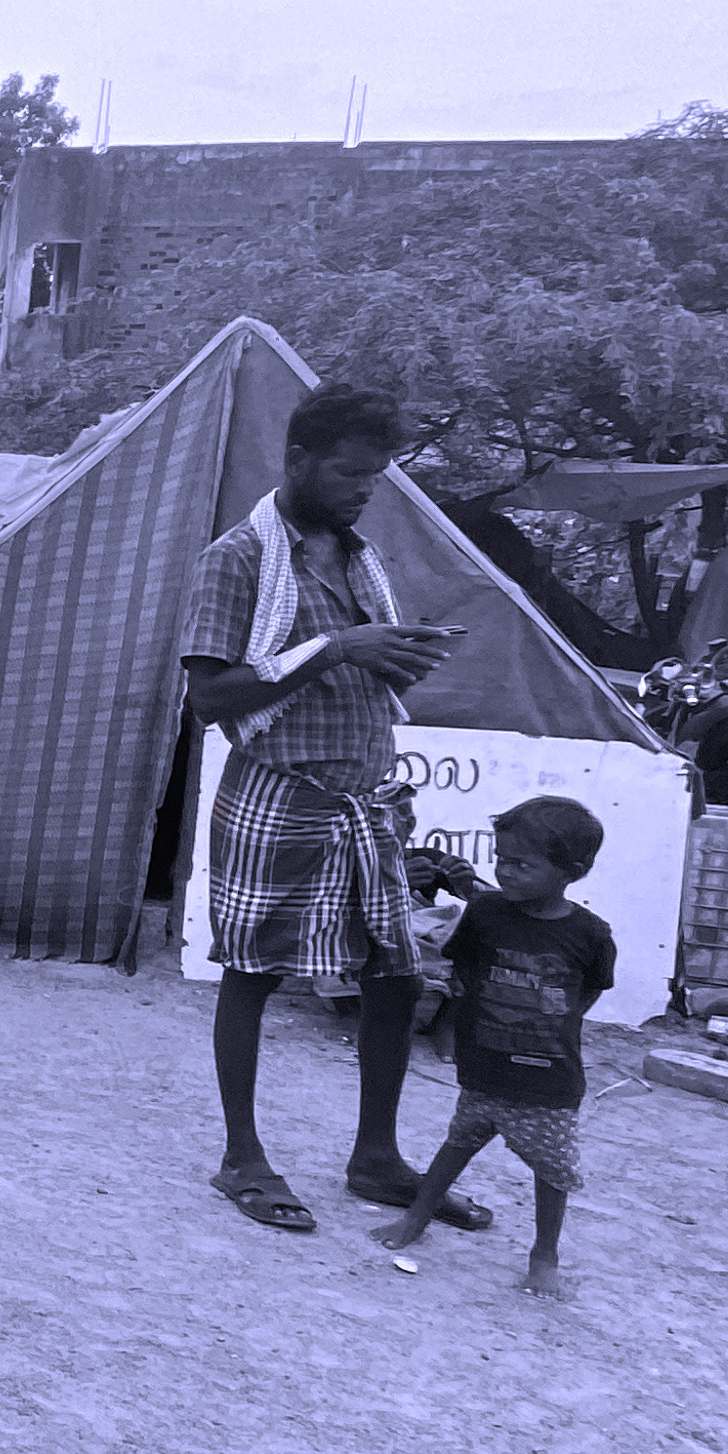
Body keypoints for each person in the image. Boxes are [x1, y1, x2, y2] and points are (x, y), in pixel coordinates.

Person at [177, 384, 473, 1236]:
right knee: (255, 971)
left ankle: (375, 1158)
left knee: (396, 974)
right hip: (281, 791)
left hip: (367, 794)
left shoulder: (357, 559)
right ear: (299, 461)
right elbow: (208, 697)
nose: (363, 489)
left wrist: (392, 658)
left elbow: (347, 665)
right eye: (350, 473)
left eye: (376, 477)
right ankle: (242, 1157)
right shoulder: (238, 559)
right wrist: (339, 646)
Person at [375, 797, 614, 1299]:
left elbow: (587, 994)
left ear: (572, 872)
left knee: (553, 1171)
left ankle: (544, 1256)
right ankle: (417, 1219)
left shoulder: (590, 934)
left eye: (522, 864)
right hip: (484, 1067)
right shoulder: (484, 913)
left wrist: (546, 1028)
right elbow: (462, 975)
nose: (505, 871)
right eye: (501, 858)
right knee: (456, 1144)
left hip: (548, 1081)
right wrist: (459, 1037)